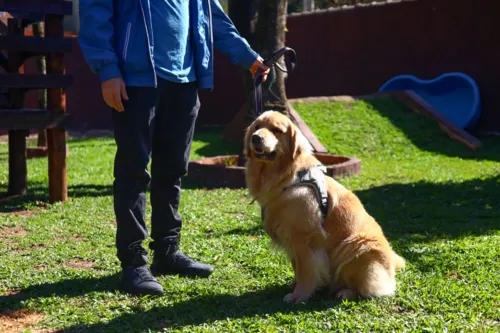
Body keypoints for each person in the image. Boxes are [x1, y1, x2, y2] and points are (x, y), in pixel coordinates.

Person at [78, 0, 269, 296]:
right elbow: (96, 12)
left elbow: (212, 17)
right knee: (133, 172)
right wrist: (108, 70)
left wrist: (247, 55)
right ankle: (133, 263)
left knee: (172, 171)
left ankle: (167, 252)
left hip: (185, 81)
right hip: (135, 80)